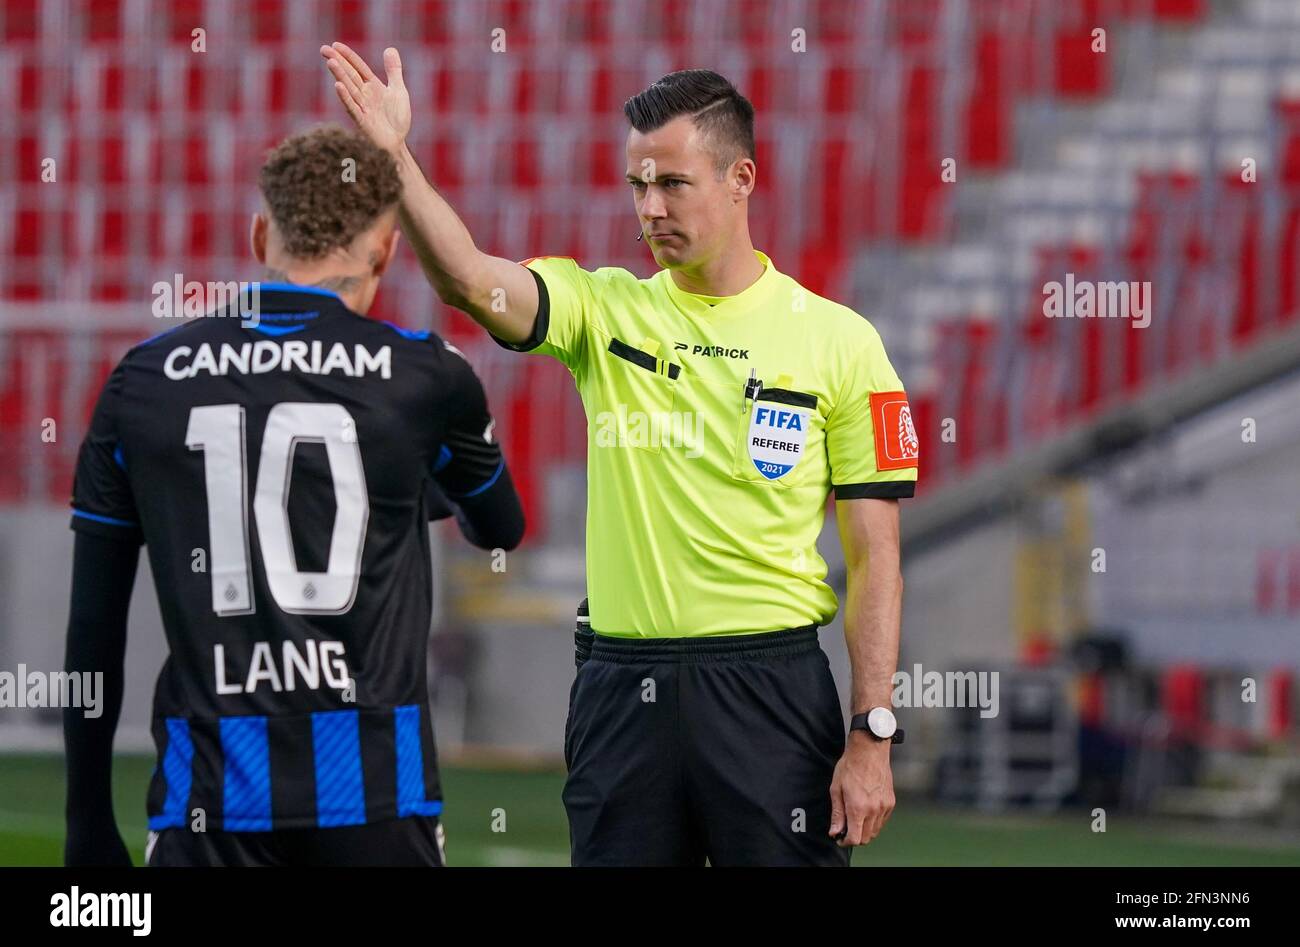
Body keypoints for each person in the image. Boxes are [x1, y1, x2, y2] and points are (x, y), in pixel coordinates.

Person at [322, 43, 917, 866]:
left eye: (673, 182)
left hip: (770, 690)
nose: (650, 207)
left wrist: (872, 732)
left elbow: (876, 557)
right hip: (619, 690)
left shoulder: (841, 344)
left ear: (740, 180)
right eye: (638, 184)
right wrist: (394, 158)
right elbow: (466, 280)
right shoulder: (605, 312)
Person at [62, 125, 524, 867]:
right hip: (378, 798)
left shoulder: (144, 381)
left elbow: (92, 628)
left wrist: (84, 822)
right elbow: (500, 527)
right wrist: (402, 491)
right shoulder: (426, 377)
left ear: (257, 235)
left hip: (208, 803)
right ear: (386, 249)